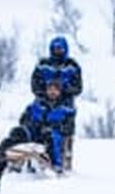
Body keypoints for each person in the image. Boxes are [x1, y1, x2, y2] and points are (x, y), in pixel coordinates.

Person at [0, 80, 75, 174]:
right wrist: (29, 125)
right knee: (16, 132)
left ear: (60, 92)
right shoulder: (36, 104)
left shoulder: (65, 109)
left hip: (53, 132)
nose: (52, 92)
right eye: (50, 89)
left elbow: (69, 127)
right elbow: (24, 118)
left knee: (51, 138)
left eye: (55, 90)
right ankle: (1, 158)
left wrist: (55, 127)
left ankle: (55, 166)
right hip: (34, 130)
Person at [30, 36, 82, 170]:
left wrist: (62, 90)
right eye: (55, 48)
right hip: (44, 101)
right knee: (33, 129)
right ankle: (30, 162)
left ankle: (58, 163)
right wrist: (46, 92)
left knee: (58, 135)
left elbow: (78, 88)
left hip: (64, 103)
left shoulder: (72, 65)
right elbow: (34, 85)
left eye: (60, 48)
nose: (57, 51)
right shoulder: (43, 64)